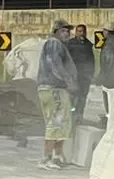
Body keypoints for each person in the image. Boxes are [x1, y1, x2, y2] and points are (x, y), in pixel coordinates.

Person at [37, 18, 79, 168]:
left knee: (62, 122)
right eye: (63, 30)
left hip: (57, 88)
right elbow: (54, 65)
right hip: (53, 88)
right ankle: (46, 158)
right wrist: (68, 80)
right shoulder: (54, 44)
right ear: (56, 32)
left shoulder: (58, 45)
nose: (67, 33)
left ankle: (57, 155)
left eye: (68, 31)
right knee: (55, 122)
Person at [68, 24, 96, 124]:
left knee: (82, 97)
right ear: (76, 32)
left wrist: (91, 74)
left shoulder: (88, 45)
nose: (81, 33)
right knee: (73, 97)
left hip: (85, 76)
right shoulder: (70, 44)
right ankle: (71, 115)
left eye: (83, 31)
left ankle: (80, 116)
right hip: (74, 76)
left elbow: (91, 60)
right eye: (79, 31)